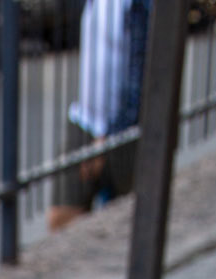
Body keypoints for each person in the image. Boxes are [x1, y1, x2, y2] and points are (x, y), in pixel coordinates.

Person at [48, 0, 151, 230]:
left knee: (123, 220)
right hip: (85, 118)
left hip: (124, 128)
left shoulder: (140, 5)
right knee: (62, 217)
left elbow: (141, 76)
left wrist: (109, 137)